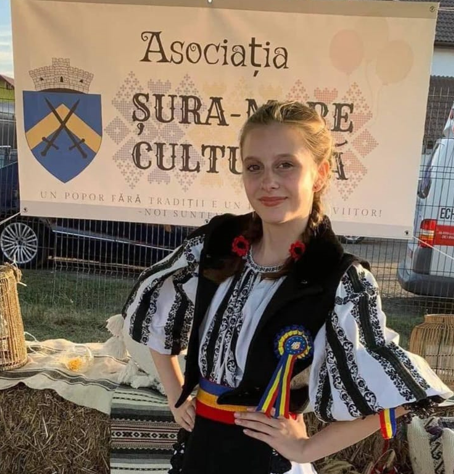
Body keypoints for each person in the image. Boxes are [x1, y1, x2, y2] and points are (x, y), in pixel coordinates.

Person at [122, 101, 453, 474]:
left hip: (268, 460)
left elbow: (397, 392)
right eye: (254, 167)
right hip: (202, 448)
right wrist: (175, 392)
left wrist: (307, 447)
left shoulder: (338, 278)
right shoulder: (216, 244)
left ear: (320, 173)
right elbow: (157, 308)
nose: (268, 181)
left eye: (285, 165)